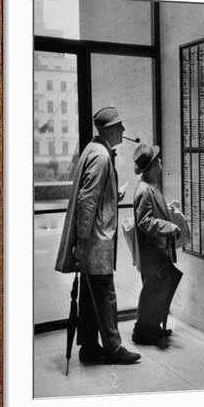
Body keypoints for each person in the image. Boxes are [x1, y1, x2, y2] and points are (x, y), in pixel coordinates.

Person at [55, 106, 141, 365]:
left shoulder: (93, 150)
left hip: (92, 239)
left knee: (91, 297)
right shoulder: (102, 157)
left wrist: (115, 195)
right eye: (120, 127)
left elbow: (94, 196)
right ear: (111, 129)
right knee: (105, 295)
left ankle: (90, 347)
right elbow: (87, 201)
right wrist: (81, 245)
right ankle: (114, 348)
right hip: (95, 241)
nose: (124, 130)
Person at [132, 143, 183, 345]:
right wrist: (169, 227)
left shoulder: (150, 187)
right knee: (151, 294)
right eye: (158, 160)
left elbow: (153, 213)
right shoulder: (144, 190)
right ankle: (142, 331)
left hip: (157, 253)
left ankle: (152, 329)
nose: (161, 162)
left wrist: (167, 209)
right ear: (152, 166)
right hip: (152, 253)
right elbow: (145, 221)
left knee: (158, 292)